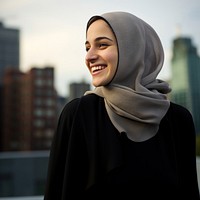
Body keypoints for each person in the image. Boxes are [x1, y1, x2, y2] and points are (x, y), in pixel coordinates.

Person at [44, 11, 200, 199]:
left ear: (134, 49)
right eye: (87, 48)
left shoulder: (178, 119)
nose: (89, 56)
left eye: (102, 45)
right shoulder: (78, 114)